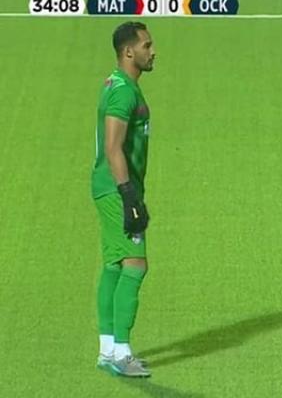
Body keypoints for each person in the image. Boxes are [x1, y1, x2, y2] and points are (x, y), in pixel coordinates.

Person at [91, 21, 155, 378]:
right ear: (128, 51)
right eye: (146, 45)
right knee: (135, 264)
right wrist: (129, 195)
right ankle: (122, 352)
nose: (153, 51)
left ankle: (107, 350)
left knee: (115, 265)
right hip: (117, 189)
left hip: (109, 186)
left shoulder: (117, 83)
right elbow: (113, 146)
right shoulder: (123, 93)